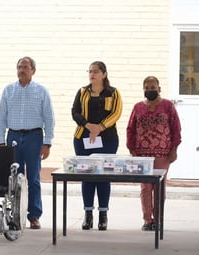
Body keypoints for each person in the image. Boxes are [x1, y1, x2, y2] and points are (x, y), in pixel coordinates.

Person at [0, 56, 55, 230]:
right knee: (14, 178)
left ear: (33, 71)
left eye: (26, 67)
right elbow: (1, 117)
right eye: (19, 67)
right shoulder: (8, 90)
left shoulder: (41, 91)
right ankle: (15, 213)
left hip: (34, 137)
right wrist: (1, 141)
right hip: (13, 137)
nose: (22, 70)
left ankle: (34, 215)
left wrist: (47, 142)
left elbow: (49, 118)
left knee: (34, 178)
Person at [71, 61, 123, 231]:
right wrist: (89, 126)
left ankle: (103, 214)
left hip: (107, 139)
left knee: (102, 176)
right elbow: (75, 112)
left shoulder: (113, 93)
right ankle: (88, 214)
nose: (92, 74)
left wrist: (99, 128)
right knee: (87, 176)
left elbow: (116, 113)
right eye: (90, 71)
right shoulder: (82, 91)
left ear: (104, 74)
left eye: (95, 71)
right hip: (83, 139)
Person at [126, 76, 181, 231]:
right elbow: (130, 129)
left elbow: (176, 129)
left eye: (153, 87)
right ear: (143, 90)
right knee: (145, 188)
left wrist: (174, 150)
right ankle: (147, 220)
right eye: (147, 88)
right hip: (142, 156)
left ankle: (158, 219)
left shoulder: (168, 106)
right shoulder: (138, 107)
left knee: (159, 187)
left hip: (163, 155)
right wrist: (132, 149)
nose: (150, 90)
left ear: (159, 89)